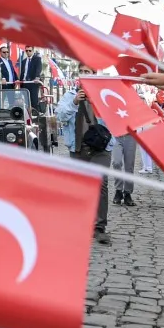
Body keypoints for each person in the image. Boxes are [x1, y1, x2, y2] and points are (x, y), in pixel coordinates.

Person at [69, 85, 112, 244]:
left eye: (88, 72)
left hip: (101, 148)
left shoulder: (103, 95)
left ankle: (99, 227)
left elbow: (115, 117)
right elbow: (61, 116)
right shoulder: (69, 95)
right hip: (79, 147)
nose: (85, 75)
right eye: (83, 71)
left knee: (101, 184)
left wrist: (98, 103)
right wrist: (74, 102)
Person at [18, 46, 45, 114]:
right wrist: (19, 82)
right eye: (26, 51)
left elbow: (38, 68)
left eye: (30, 50)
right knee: (25, 101)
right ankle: (26, 115)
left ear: (33, 51)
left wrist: (37, 77)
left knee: (33, 100)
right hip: (25, 83)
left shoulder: (37, 59)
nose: (28, 52)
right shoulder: (24, 61)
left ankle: (35, 116)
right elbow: (22, 72)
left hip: (33, 83)